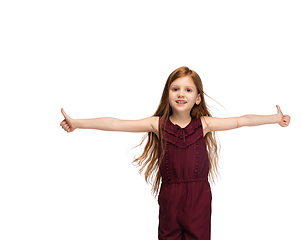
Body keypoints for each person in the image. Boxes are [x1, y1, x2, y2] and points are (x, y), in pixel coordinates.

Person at [60, 66, 290, 240]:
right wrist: (78, 123)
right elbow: (114, 123)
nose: (181, 94)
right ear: (167, 94)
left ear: (197, 98)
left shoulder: (205, 124)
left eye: (188, 89)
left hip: (199, 198)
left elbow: (242, 120)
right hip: (170, 197)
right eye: (175, 88)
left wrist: (275, 119)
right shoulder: (157, 124)